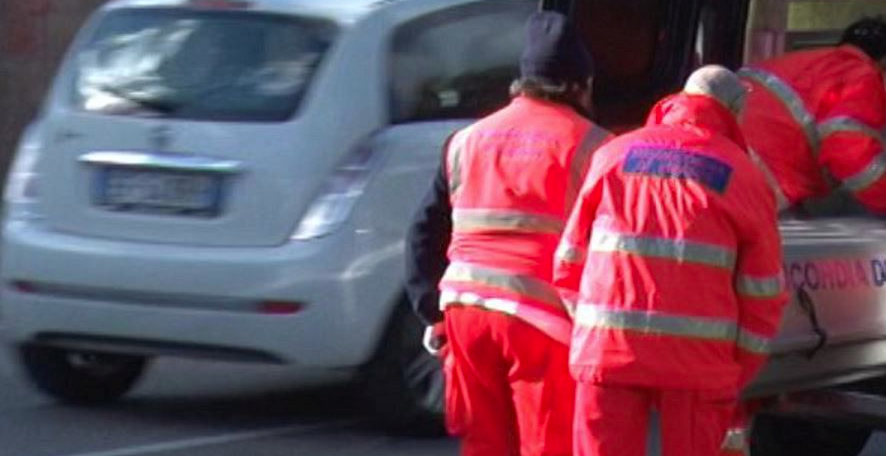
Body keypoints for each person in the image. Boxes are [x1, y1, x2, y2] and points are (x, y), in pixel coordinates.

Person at [404, 10, 611, 456]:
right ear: (580, 84)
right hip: (541, 320)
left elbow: (422, 231)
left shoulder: (466, 140)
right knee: (546, 444)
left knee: (484, 443)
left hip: (465, 313)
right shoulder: (595, 146)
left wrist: (431, 312)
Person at [555, 65, 789, 456]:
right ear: (733, 111)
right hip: (698, 366)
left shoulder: (612, 154)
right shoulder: (744, 175)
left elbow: (569, 262)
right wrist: (735, 369)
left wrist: (593, 332)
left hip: (607, 353)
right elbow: (763, 292)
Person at [739, 16, 886, 216]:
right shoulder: (861, 75)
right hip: (756, 181)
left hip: (705, 166)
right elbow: (850, 154)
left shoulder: (798, 63)